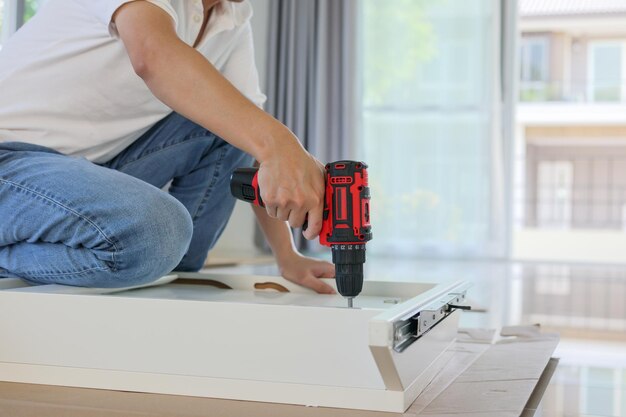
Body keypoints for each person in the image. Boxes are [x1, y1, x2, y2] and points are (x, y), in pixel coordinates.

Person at [0, 0, 336, 293]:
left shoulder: (232, 18)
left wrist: (287, 256)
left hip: (82, 171)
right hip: (10, 160)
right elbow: (153, 54)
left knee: (234, 123)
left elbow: (253, 140)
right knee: (158, 234)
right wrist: (280, 143)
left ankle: (153, 267)